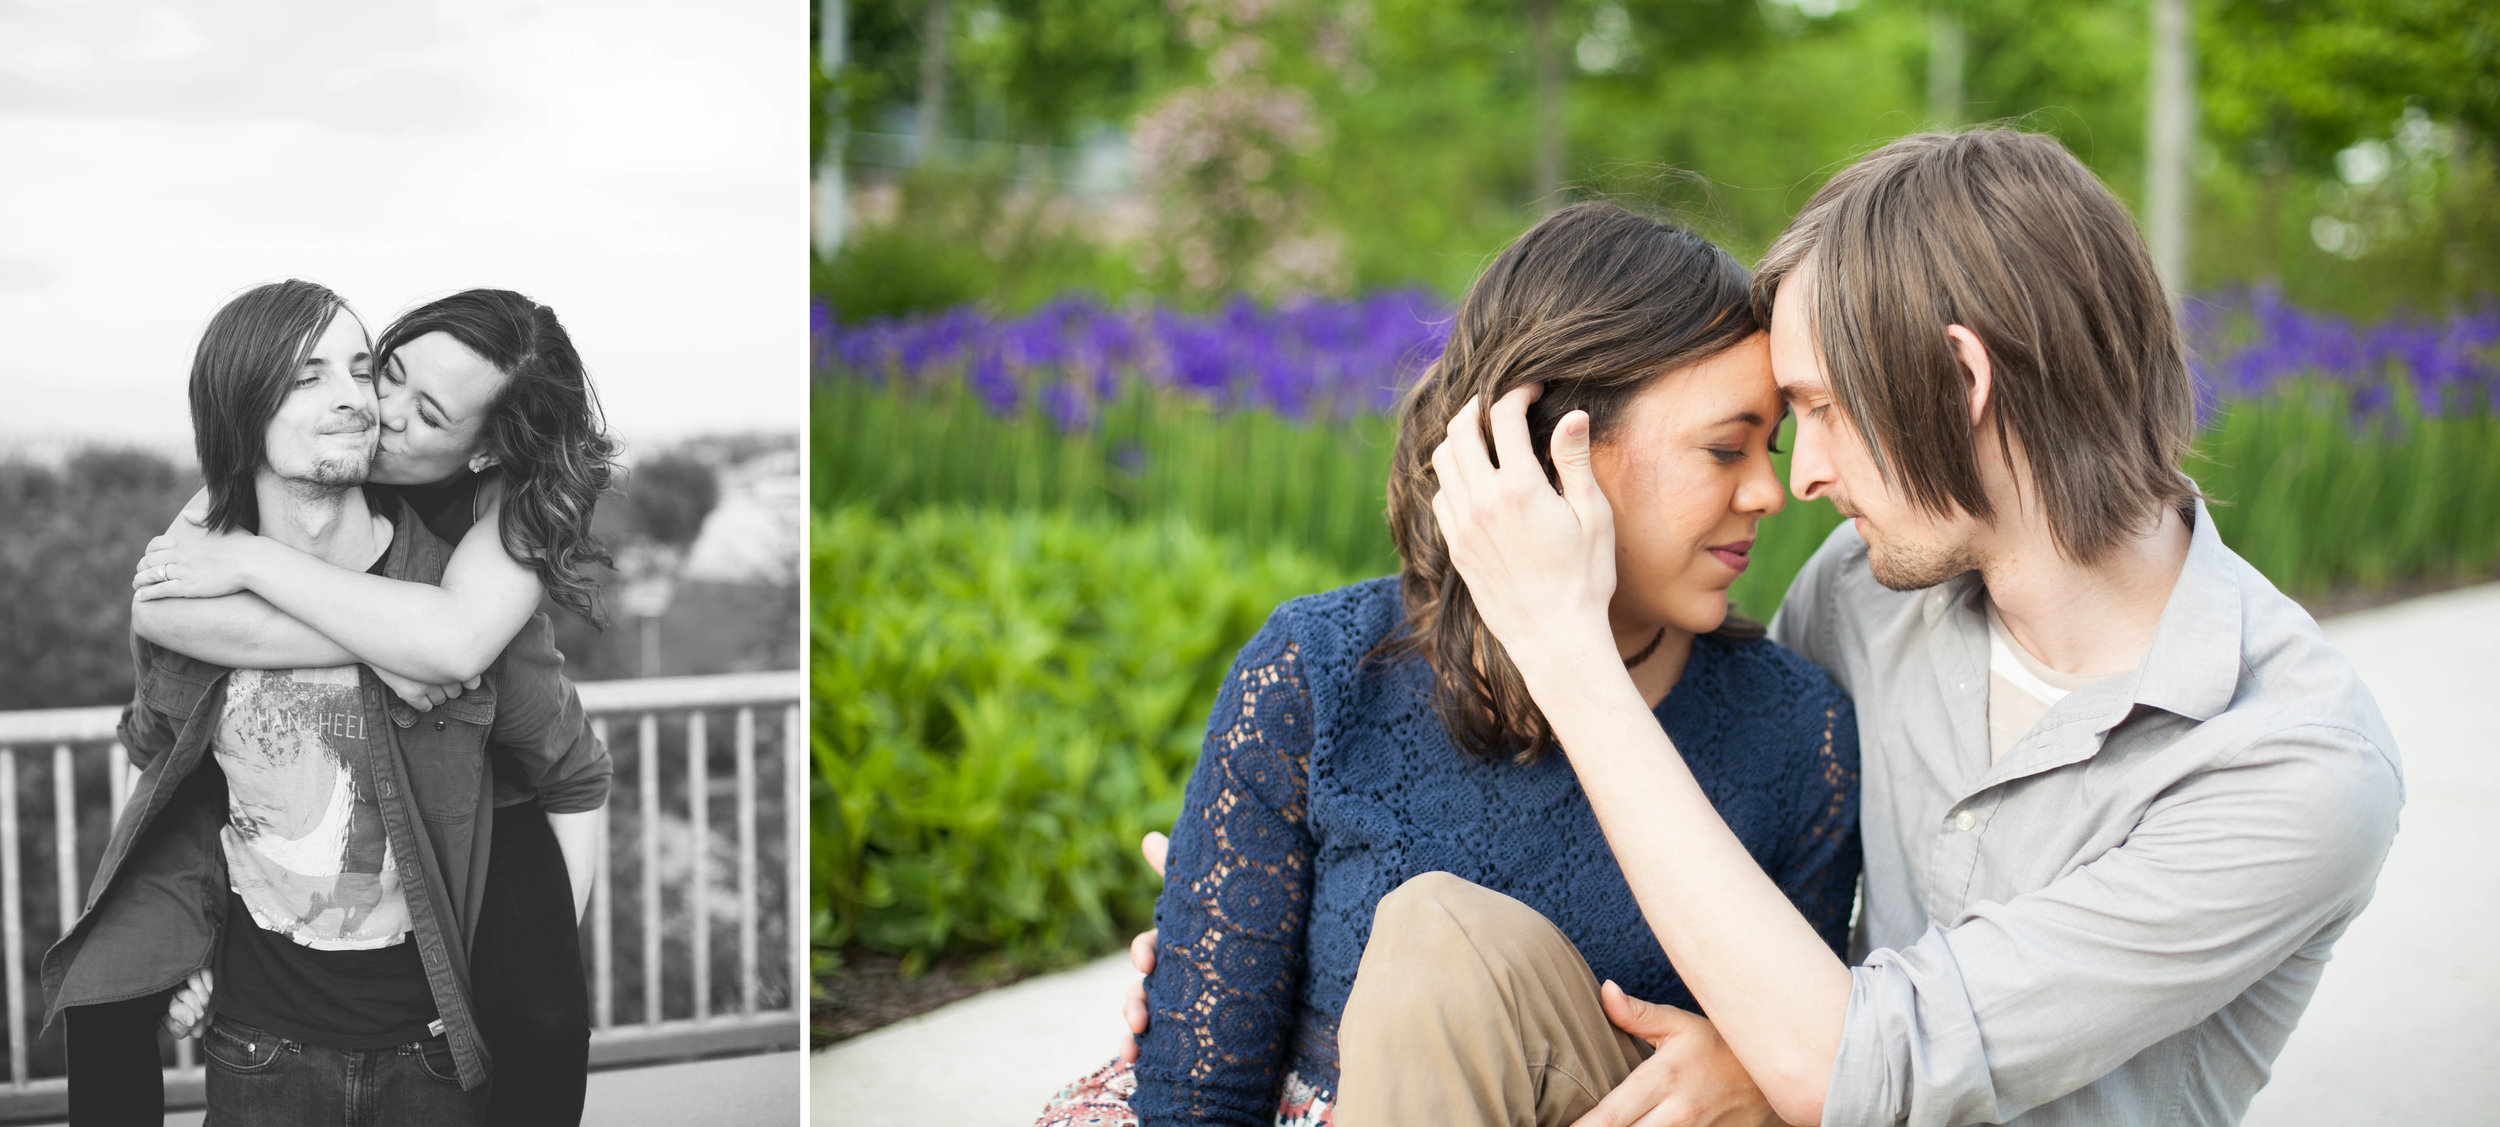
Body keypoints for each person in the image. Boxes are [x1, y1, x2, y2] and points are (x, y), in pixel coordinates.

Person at [1360, 128, 2404, 1126]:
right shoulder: (1867, 588)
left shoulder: (2289, 763)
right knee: (1446, 940)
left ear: (1961, 378)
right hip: (1801, 1079)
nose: (1801, 476)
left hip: (1834, 1077)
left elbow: (1850, 1064)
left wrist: (1564, 645)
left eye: (1819, 408)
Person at [1044, 202, 1862, 1127]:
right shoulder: (1319, 673)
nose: (1769, 492)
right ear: (1557, 441)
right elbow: (1197, 1094)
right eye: (1725, 448)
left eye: (1770, 447)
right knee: (1436, 934)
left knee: (1441, 934)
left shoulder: (1798, 731)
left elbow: (1816, 1074)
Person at [40, 281, 613, 1127]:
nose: (369, 403)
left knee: (547, 1022)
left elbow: (512, 704)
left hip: (444, 998)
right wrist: (179, 941)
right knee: (101, 996)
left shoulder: (489, 558)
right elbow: (160, 706)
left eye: (424, 409)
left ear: (483, 450)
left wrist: (518, 969)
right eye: (380, 370)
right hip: (263, 1044)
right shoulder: (213, 552)